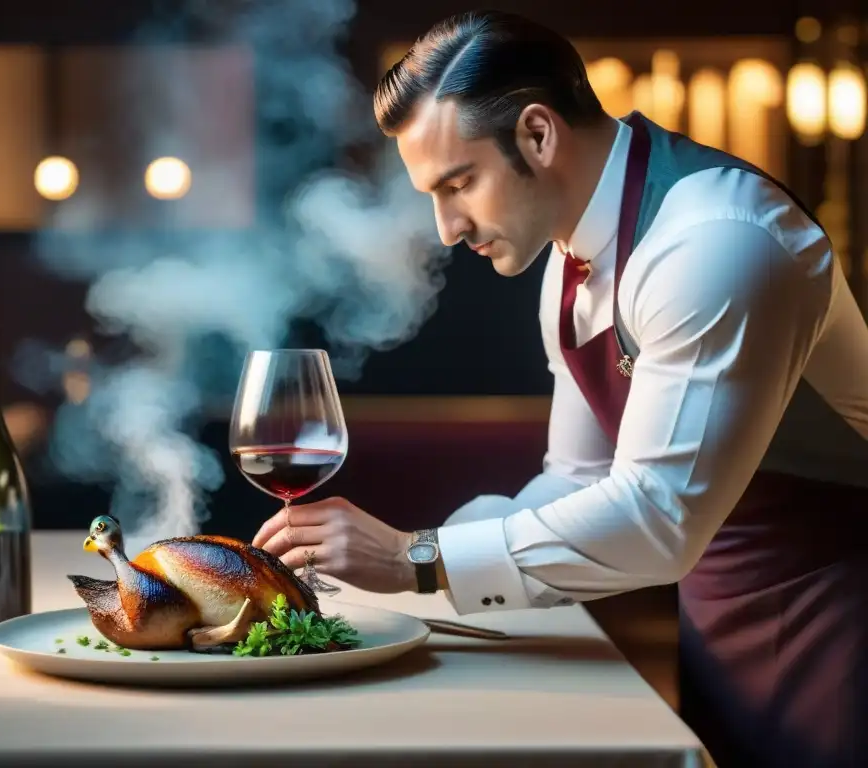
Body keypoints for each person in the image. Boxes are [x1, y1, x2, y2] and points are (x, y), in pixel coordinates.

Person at [252, 9, 868, 767]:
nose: (446, 227)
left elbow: (656, 518)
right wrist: (407, 567)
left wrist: (420, 558)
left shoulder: (718, 243)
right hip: (717, 618)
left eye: (459, 182)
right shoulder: (571, 259)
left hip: (842, 614)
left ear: (538, 135)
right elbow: (576, 480)